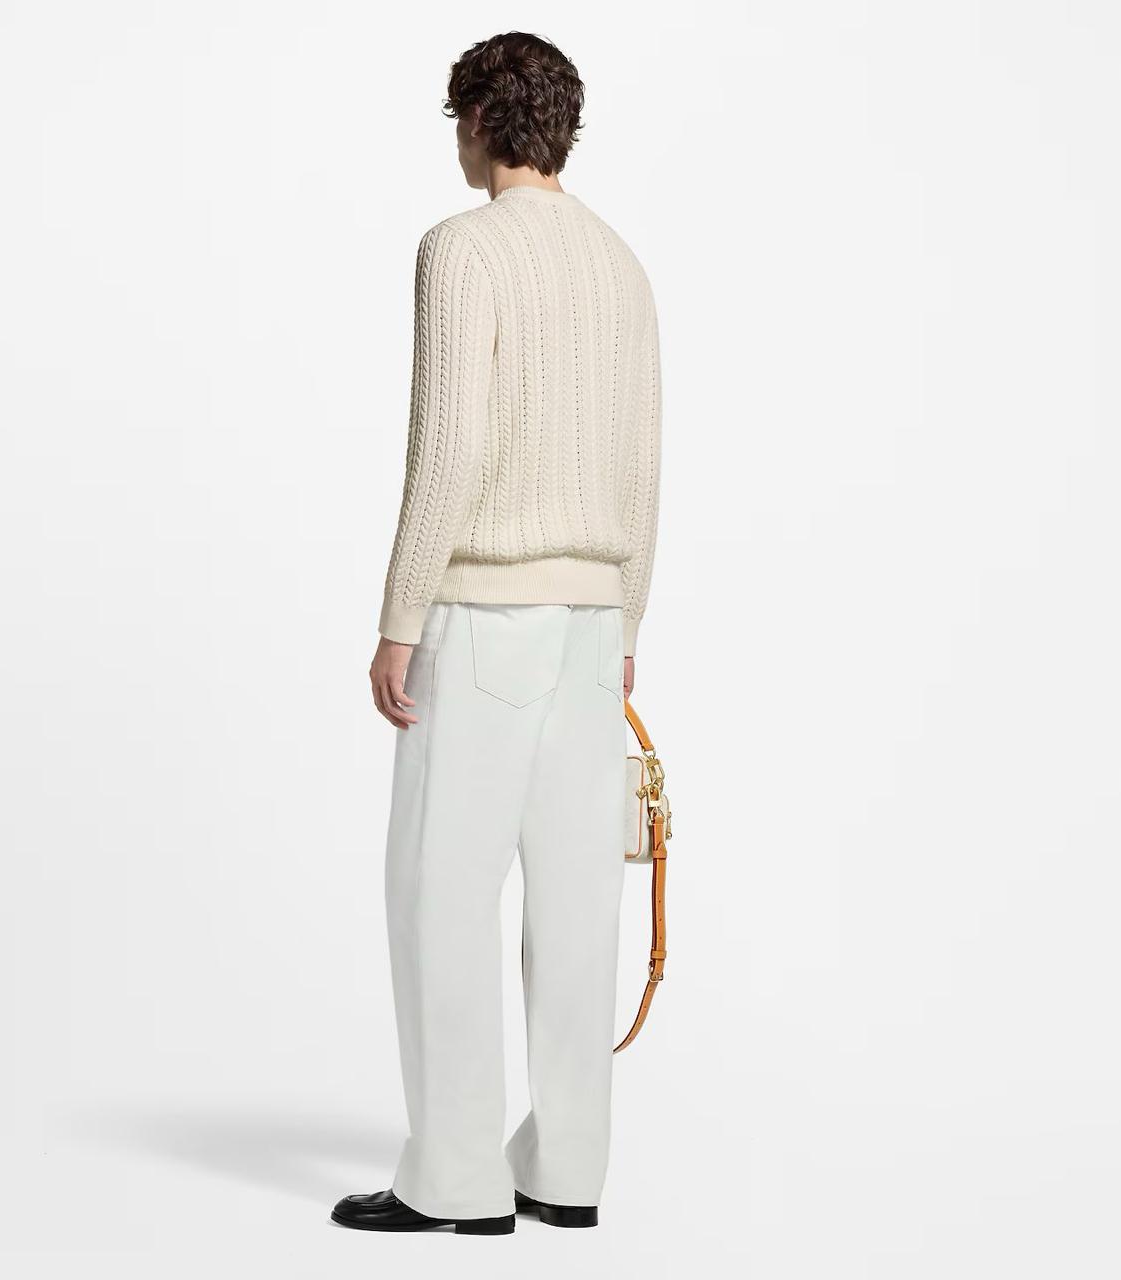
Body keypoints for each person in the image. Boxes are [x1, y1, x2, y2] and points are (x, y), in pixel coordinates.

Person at [333, 31, 662, 1236]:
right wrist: (625, 619)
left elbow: (451, 448)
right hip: (589, 622)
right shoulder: (619, 262)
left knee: (439, 897)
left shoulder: (461, 248)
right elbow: (641, 465)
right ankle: (565, 1168)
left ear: (478, 119)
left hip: (480, 616)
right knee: (576, 906)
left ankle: (455, 1177)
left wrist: (398, 613)